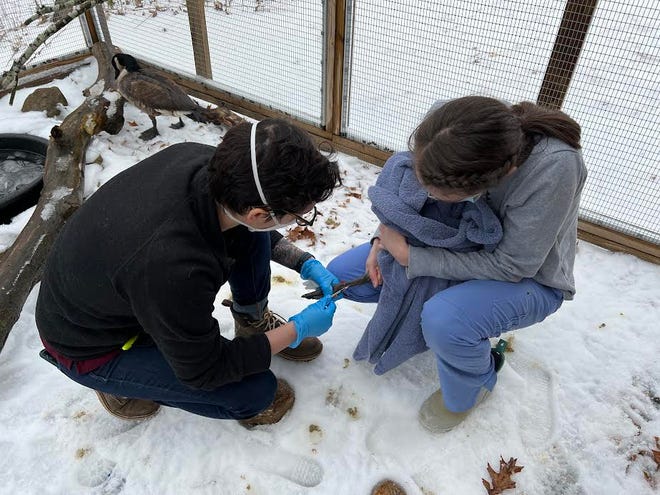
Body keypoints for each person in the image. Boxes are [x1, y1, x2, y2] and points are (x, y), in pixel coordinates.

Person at [36, 118, 342, 426]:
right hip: (90, 345)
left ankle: (254, 326)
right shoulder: (175, 268)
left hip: (114, 284)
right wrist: (295, 330)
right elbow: (205, 371)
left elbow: (252, 226)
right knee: (255, 393)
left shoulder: (208, 164)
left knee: (250, 237)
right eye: (301, 216)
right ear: (260, 214)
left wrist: (303, 261)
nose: (299, 221)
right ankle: (118, 383)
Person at [328, 96, 587, 433]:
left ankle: (475, 384)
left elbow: (514, 264)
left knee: (444, 319)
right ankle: (436, 320)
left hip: (530, 278)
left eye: (439, 195)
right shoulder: (450, 128)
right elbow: (408, 196)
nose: (429, 196)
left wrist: (412, 259)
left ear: (489, 184)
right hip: (452, 243)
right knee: (342, 276)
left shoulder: (553, 168)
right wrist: (383, 238)